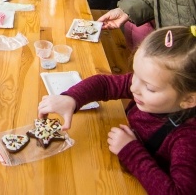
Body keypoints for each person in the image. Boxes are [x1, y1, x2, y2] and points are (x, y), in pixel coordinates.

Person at [39, 26, 196, 194]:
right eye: (135, 74)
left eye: (149, 88)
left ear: (188, 100)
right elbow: (104, 84)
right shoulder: (149, 84)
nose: (134, 88)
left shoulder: (188, 139)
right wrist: (71, 98)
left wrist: (130, 151)